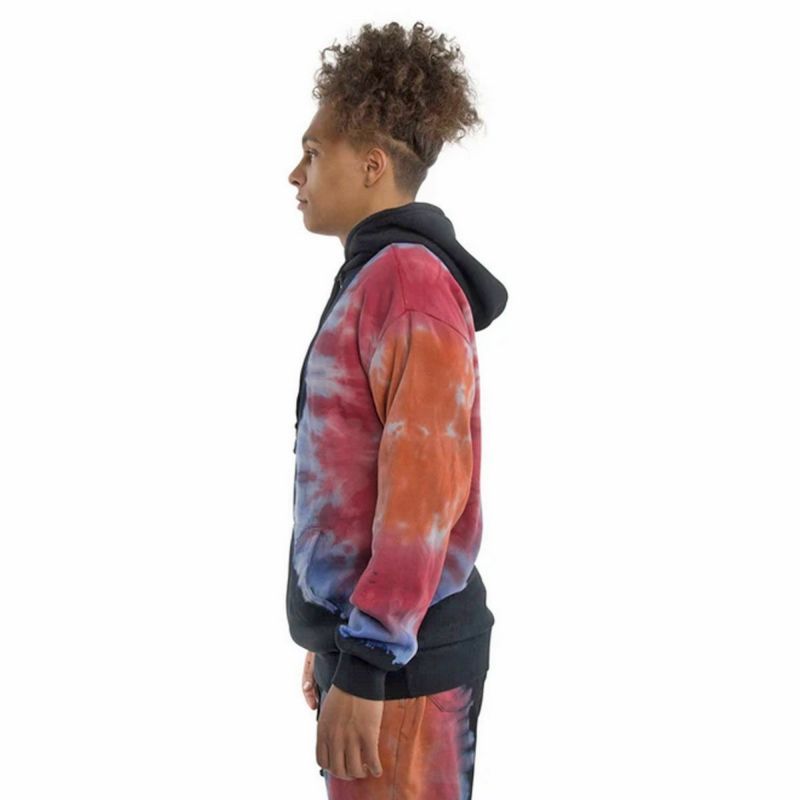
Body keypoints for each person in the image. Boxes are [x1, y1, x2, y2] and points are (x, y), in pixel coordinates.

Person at [285, 21, 508, 799]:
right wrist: (331, 634)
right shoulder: (378, 276)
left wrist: (370, 659)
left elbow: (424, 495)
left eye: (314, 153)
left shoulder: (407, 284)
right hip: (377, 651)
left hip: (404, 668)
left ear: (372, 165)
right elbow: (356, 483)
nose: (295, 174)